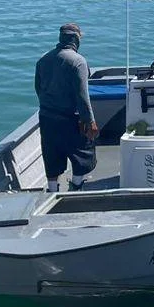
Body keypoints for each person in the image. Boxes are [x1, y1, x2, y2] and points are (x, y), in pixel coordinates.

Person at [34, 22, 99, 193]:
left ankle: (53, 189)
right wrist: (89, 120)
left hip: (47, 117)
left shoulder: (43, 59)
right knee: (83, 153)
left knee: (52, 154)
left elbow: (38, 88)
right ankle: (76, 185)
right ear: (76, 39)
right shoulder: (78, 62)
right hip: (72, 118)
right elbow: (82, 94)